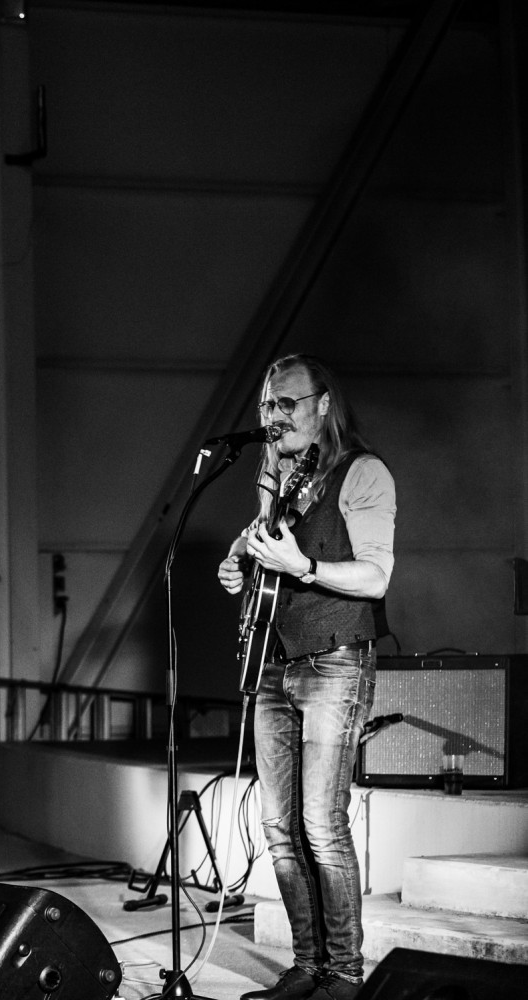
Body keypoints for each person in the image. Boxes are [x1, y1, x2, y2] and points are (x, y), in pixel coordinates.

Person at [217, 354, 396, 1000]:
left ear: (323, 405)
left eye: (287, 404)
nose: (274, 417)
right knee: (278, 829)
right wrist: (237, 560)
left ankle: (345, 974)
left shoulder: (364, 472)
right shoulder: (281, 473)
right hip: (273, 661)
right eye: (268, 405)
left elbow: (377, 576)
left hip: (335, 661)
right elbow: (257, 536)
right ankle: (306, 964)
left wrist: (305, 568)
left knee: (322, 824)